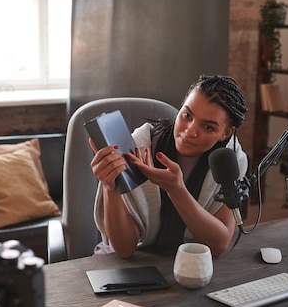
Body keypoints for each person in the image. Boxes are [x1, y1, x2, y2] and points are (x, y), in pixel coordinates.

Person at [90, 75, 248, 258]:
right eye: (187, 115)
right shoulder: (138, 148)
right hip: (138, 263)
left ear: (227, 133)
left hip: (191, 262)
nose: (190, 131)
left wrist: (176, 190)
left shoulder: (230, 162)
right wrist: (111, 189)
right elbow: (124, 250)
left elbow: (218, 245)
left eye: (208, 127)